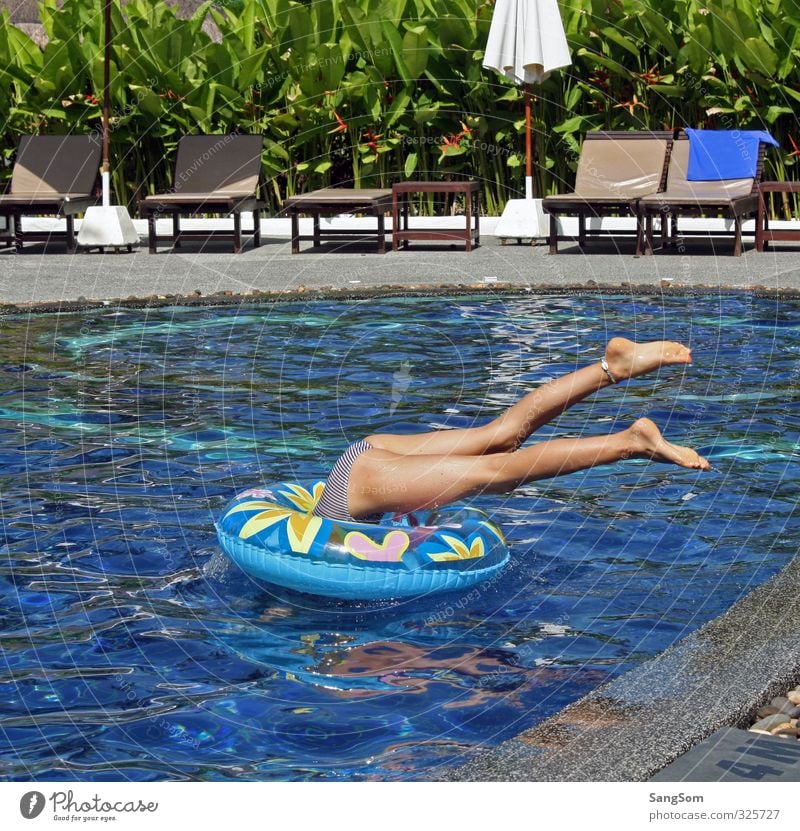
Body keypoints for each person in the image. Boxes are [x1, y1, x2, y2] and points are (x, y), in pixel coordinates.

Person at [312, 337, 711, 523]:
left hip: (358, 490)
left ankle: (628, 443)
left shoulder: (299, 553)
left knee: (501, 473)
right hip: (363, 454)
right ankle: (613, 366)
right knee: (502, 433)